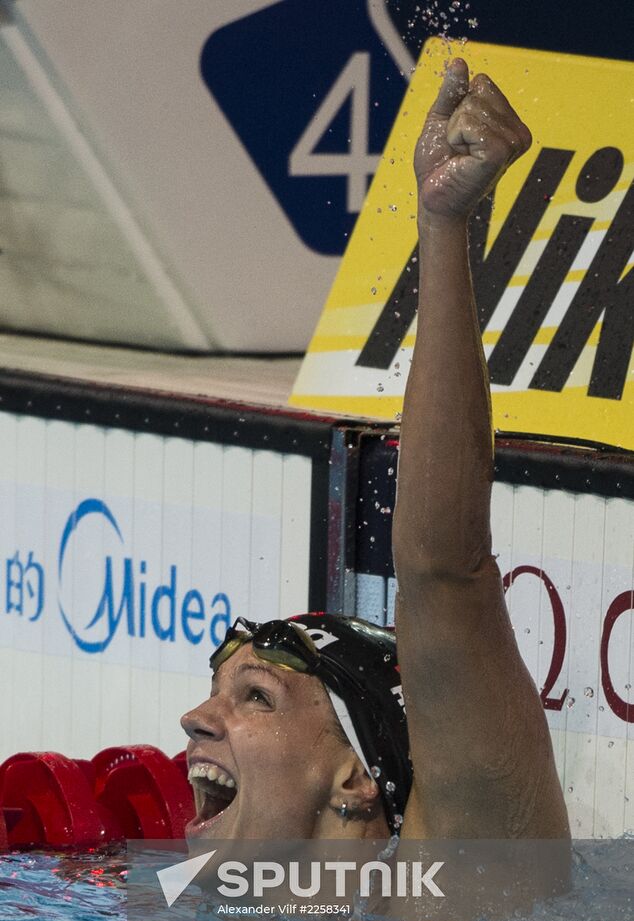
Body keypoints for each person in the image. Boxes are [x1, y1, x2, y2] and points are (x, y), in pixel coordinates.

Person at [180, 59, 570, 875]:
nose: (193, 719)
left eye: (255, 697)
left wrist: (442, 225)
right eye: (224, 691)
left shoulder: (443, 907)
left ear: (353, 783)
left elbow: (443, 568)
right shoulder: (171, 913)